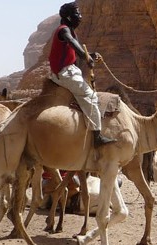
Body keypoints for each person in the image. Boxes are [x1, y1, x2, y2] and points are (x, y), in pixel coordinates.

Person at [49, 1, 116, 147]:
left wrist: (90, 54)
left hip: (69, 70)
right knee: (91, 98)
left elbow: (78, 50)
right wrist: (87, 58)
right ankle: (97, 137)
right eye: (77, 13)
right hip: (64, 72)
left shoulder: (70, 31)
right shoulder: (64, 30)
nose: (80, 16)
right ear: (68, 16)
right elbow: (72, 43)